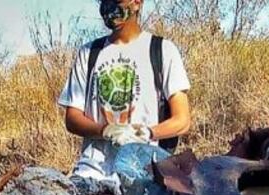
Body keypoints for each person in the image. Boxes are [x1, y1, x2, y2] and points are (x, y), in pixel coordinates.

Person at [58, 0, 192, 182]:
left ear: (137, 3)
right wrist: (105, 130)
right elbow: (72, 118)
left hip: (144, 175)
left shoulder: (163, 50)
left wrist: (147, 133)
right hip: (91, 173)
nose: (109, 5)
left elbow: (182, 120)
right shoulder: (88, 53)